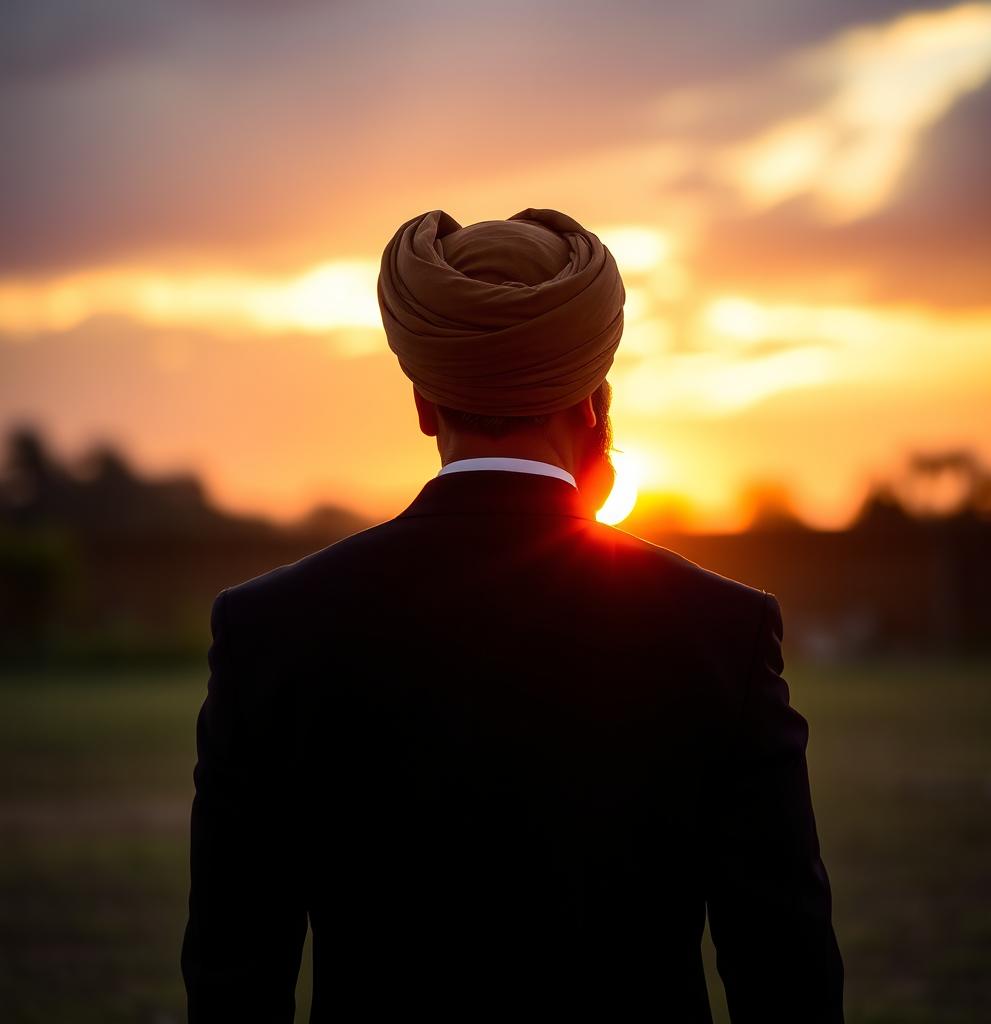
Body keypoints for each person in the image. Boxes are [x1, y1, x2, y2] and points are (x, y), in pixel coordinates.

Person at [180, 208, 845, 1022]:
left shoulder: (269, 628)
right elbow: (785, 962)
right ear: (595, 400)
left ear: (425, 403)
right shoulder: (722, 629)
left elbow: (233, 968)